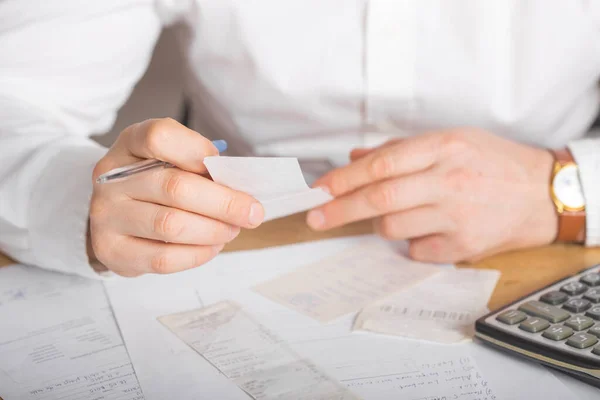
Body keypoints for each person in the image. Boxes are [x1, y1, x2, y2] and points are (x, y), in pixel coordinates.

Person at [1, 1, 599, 278]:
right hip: (220, 256)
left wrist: (565, 190)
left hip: (546, 251)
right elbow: (14, 99)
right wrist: (85, 206)